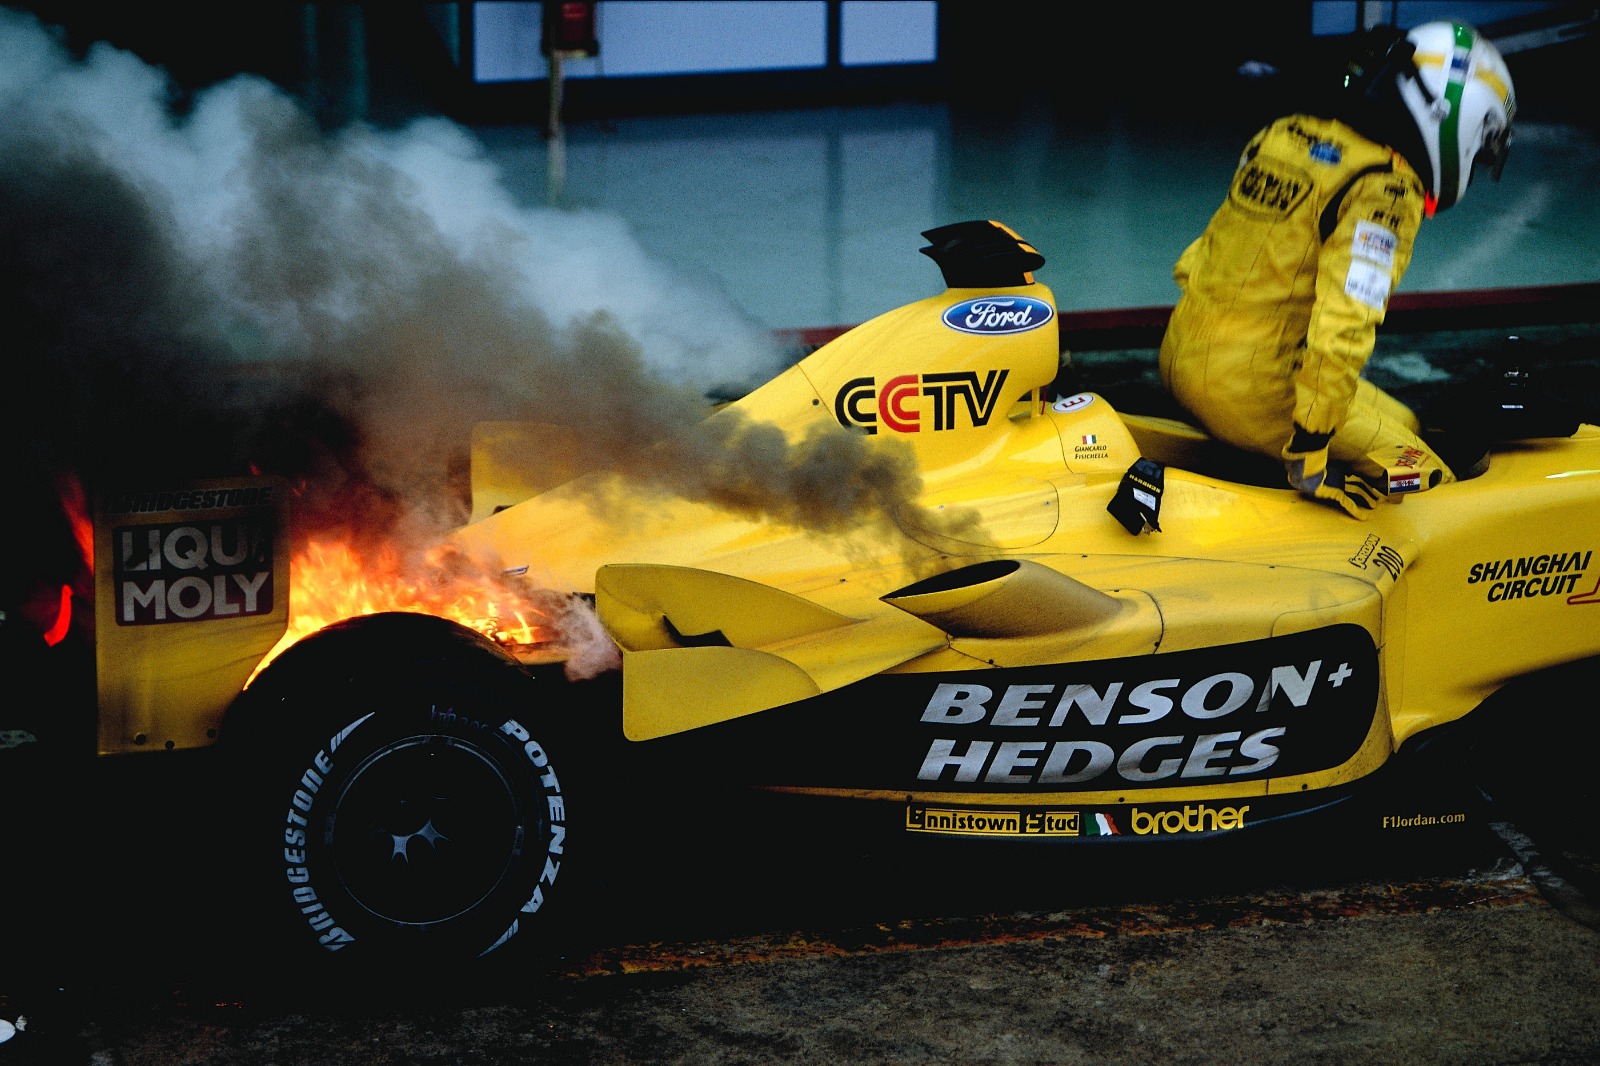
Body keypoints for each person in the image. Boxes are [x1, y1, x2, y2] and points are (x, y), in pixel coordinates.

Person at [1157, 20, 1516, 517]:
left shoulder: (1284, 132)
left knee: (1407, 423)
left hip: (1180, 353)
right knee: (1428, 476)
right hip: (1250, 395)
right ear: (1456, 115)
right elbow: (1344, 325)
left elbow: (1205, 253)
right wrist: (1310, 449)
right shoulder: (1386, 184)